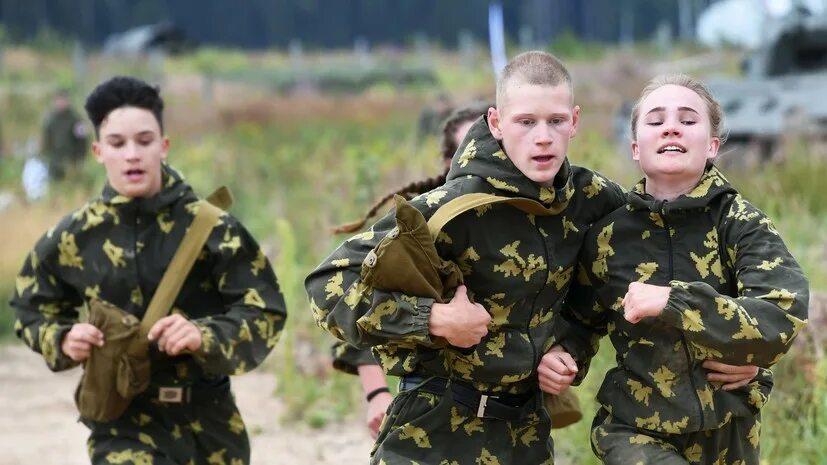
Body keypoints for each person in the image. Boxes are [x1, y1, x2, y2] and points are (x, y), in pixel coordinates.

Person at [306, 50, 634, 464]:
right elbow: (327, 286)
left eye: (556, 121)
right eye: (526, 122)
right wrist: (433, 319)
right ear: (496, 123)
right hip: (431, 431)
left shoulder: (592, 200)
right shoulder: (449, 207)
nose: (543, 136)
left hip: (525, 435)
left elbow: (615, 279)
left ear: (575, 120)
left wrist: (568, 350)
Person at [11, 76, 287, 465]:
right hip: (122, 423)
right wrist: (61, 338)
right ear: (97, 151)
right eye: (117, 144)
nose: (132, 155)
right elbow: (30, 305)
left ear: (164, 146)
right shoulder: (75, 236)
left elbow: (265, 311)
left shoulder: (212, 229)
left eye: (144, 141)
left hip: (210, 426)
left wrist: (203, 334)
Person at [549, 74, 809, 465]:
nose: (671, 126)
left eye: (688, 120)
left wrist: (676, 301)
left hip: (729, 432)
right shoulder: (609, 235)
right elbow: (580, 321)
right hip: (634, 430)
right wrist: (562, 355)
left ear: (712, 146)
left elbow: (782, 313)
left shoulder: (740, 223)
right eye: (656, 121)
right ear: (636, 148)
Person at [331, 101, 492, 439]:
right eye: (474, 151)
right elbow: (356, 307)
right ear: (450, 163)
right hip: (428, 407)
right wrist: (377, 394)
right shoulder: (419, 224)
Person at [41, 88, 88, 181]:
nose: (60, 102)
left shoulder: (76, 119)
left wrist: (80, 159)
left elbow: (83, 140)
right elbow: (47, 140)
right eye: (58, 100)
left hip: (71, 162)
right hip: (55, 161)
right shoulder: (51, 120)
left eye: (63, 100)